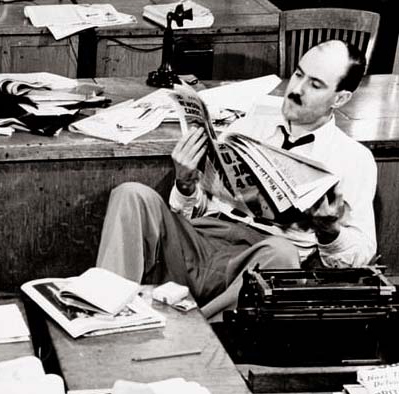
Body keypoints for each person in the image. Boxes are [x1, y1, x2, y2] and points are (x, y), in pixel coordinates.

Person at [96, 40, 377, 319]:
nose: (296, 90)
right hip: (202, 241)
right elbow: (199, 206)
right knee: (131, 194)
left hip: (260, 260)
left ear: (340, 98)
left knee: (282, 253)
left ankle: (199, 334)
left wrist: (331, 232)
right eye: (298, 74)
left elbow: (360, 256)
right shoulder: (246, 127)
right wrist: (185, 183)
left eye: (315, 85)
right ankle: (105, 314)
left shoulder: (353, 158)